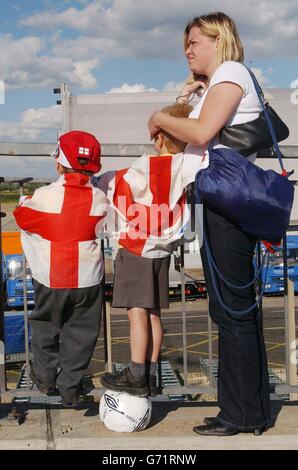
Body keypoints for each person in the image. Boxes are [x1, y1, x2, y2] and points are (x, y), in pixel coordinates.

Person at [148, 12, 271, 435]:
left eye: (195, 41)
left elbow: (200, 133)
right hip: (221, 203)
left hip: (227, 206)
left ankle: (240, 415)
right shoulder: (219, 82)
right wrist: (189, 95)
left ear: (220, 41)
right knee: (232, 309)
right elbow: (192, 129)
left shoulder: (232, 71)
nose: (187, 49)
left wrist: (163, 118)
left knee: (233, 312)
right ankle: (247, 410)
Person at [95, 102, 193, 397]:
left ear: (160, 137)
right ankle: (150, 374)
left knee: (136, 313)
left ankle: (136, 374)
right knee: (153, 315)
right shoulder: (186, 166)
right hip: (162, 251)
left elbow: (113, 186)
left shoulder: (140, 168)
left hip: (136, 248)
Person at [14, 130, 108, 407]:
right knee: (82, 333)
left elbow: (22, 216)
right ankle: (71, 386)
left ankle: (45, 380)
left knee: (45, 327)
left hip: (51, 278)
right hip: (89, 278)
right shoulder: (100, 198)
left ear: (58, 162)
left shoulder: (44, 196)